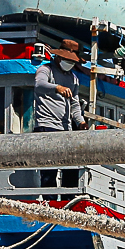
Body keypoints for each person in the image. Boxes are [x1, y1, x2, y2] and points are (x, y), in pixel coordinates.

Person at [32, 38, 86, 200]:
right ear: (59, 57)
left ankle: (69, 202)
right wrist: (56, 87)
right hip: (46, 126)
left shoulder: (73, 78)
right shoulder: (45, 70)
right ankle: (50, 203)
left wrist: (80, 121)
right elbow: (39, 84)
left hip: (66, 129)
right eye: (67, 60)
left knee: (71, 169)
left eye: (72, 61)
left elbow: (75, 104)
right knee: (49, 170)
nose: (69, 63)